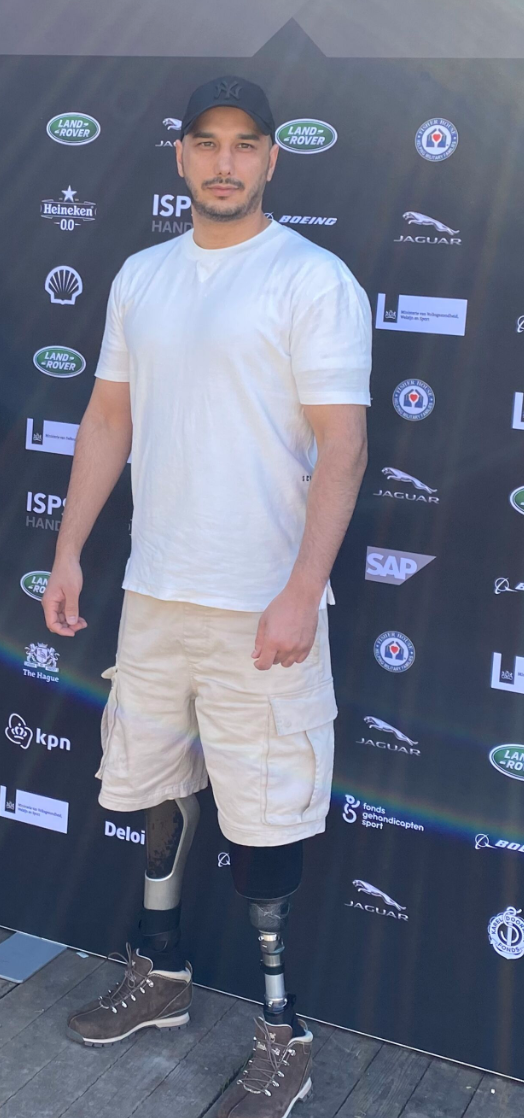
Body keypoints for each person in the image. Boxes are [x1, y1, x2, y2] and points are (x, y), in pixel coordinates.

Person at [42, 74, 372, 1118]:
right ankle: (163, 975)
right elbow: (108, 419)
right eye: (206, 143)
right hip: (155, 594)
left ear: (272, 158)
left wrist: (301, 590)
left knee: (266, 816)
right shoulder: (141, 276)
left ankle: (284, 1032)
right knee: (153, 787)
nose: (224, 162)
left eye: (244, 144)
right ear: (180, 155)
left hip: (262, 606)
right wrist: (69, 551)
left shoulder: (311, 279)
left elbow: (345, 447)